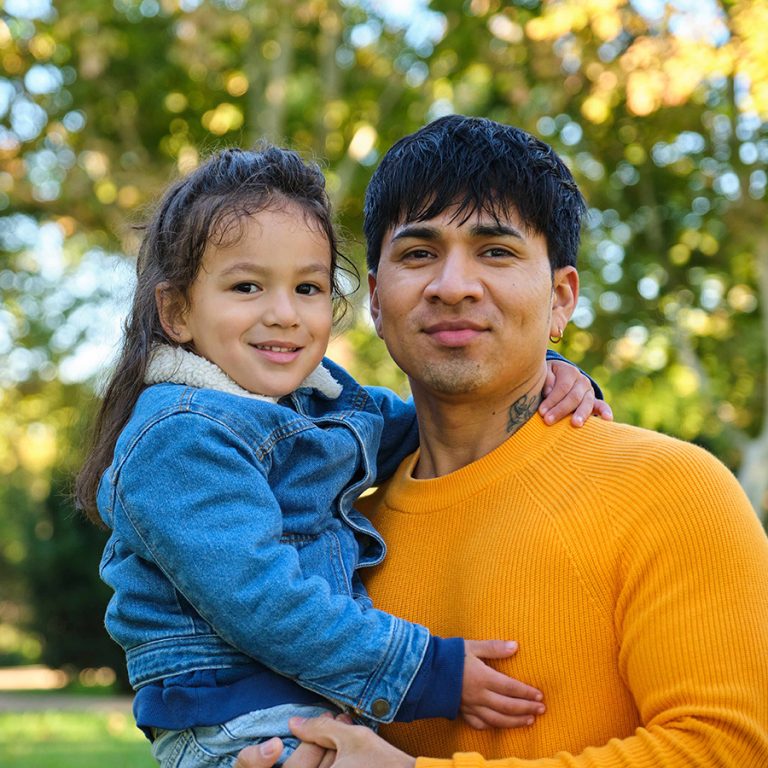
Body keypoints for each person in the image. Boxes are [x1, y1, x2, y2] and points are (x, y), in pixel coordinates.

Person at [235, 116, 768, 768]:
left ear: (561, 299)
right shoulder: (340, 538)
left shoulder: (673, 490)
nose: (452, 285)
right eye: (419, 253)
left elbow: (731, 750)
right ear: (376, 301)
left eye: (496, 251)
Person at [75, 145, 608, 767]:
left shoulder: (320, 403)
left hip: (300, 702)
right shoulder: (181, 436)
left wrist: (552, 376)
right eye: (246, 286)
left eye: (308, 288)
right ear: (176, 311)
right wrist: (423, 670)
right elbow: (261, 599)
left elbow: (439, 424)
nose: (283, 314)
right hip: (235, 721)